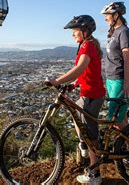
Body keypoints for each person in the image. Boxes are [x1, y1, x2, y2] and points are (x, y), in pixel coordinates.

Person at [47, 15, 105, 184]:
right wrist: (74, 85)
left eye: (75, 31)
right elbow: (88, 72)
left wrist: (57, 81)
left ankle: (95, 174)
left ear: (84, 31)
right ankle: (85, 146)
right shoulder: (86, 45)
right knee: (75, 116)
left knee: (90, 133)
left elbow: (80, 68)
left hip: (92, 96)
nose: (73, 35)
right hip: (88, 94)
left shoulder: (87, 46)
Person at [100, 1, 129, 129]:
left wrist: (127, 81)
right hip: (110, 78)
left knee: (113, 118)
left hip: (119, 78)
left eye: (107, 15)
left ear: (116, 15)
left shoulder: (124, 32)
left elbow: (127, 57)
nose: (105, 18)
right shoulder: (113, 31)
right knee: (121, 115)